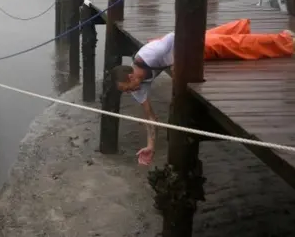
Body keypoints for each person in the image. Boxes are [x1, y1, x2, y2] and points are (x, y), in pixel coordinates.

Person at [111, 19, 295, 166]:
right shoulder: (139, 87)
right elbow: (150, 118)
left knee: (231, 46)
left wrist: (177, 62)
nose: (129, 93)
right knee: (215, 37)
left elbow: (175, 35)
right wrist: (150, 146)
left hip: (185, 46)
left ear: (131, 76)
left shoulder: (149, 55)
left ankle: (286, 41)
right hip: (178, 47)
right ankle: (242, 26)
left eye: (127, 89)